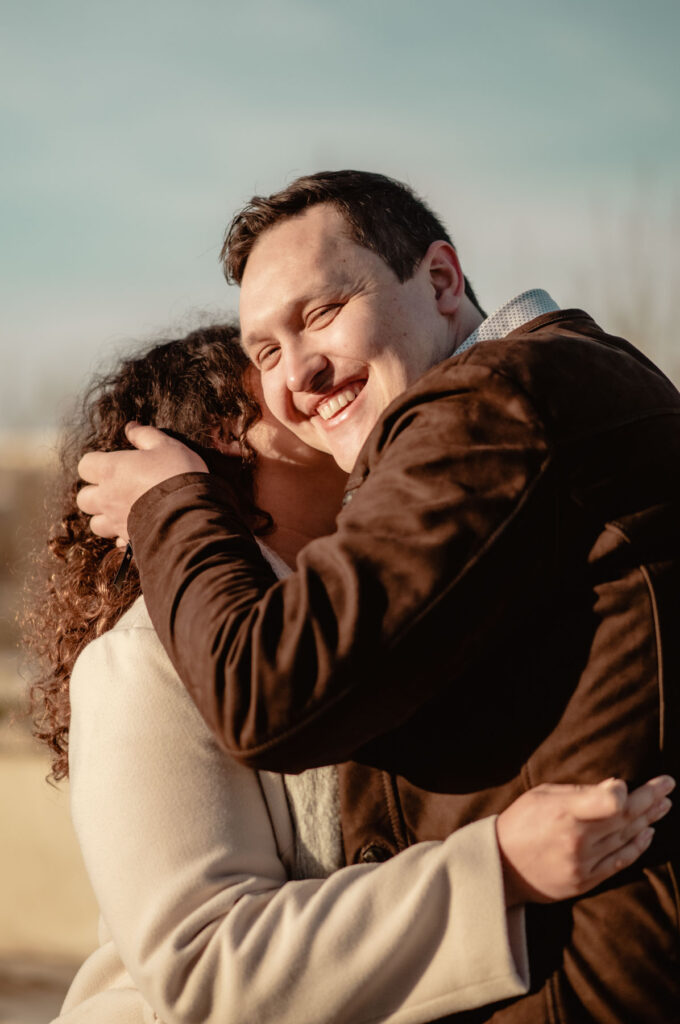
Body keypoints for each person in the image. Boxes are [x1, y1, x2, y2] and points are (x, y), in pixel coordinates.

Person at [77, 171, 680, 1023]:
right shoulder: (144, 658)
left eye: (321, 312)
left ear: (440, 280)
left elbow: (270, 692)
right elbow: (203, 964)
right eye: (266, 356)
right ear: (217, 456)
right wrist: (495, 866)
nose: (300, 380)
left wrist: (166, 506)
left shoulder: (490, 407)